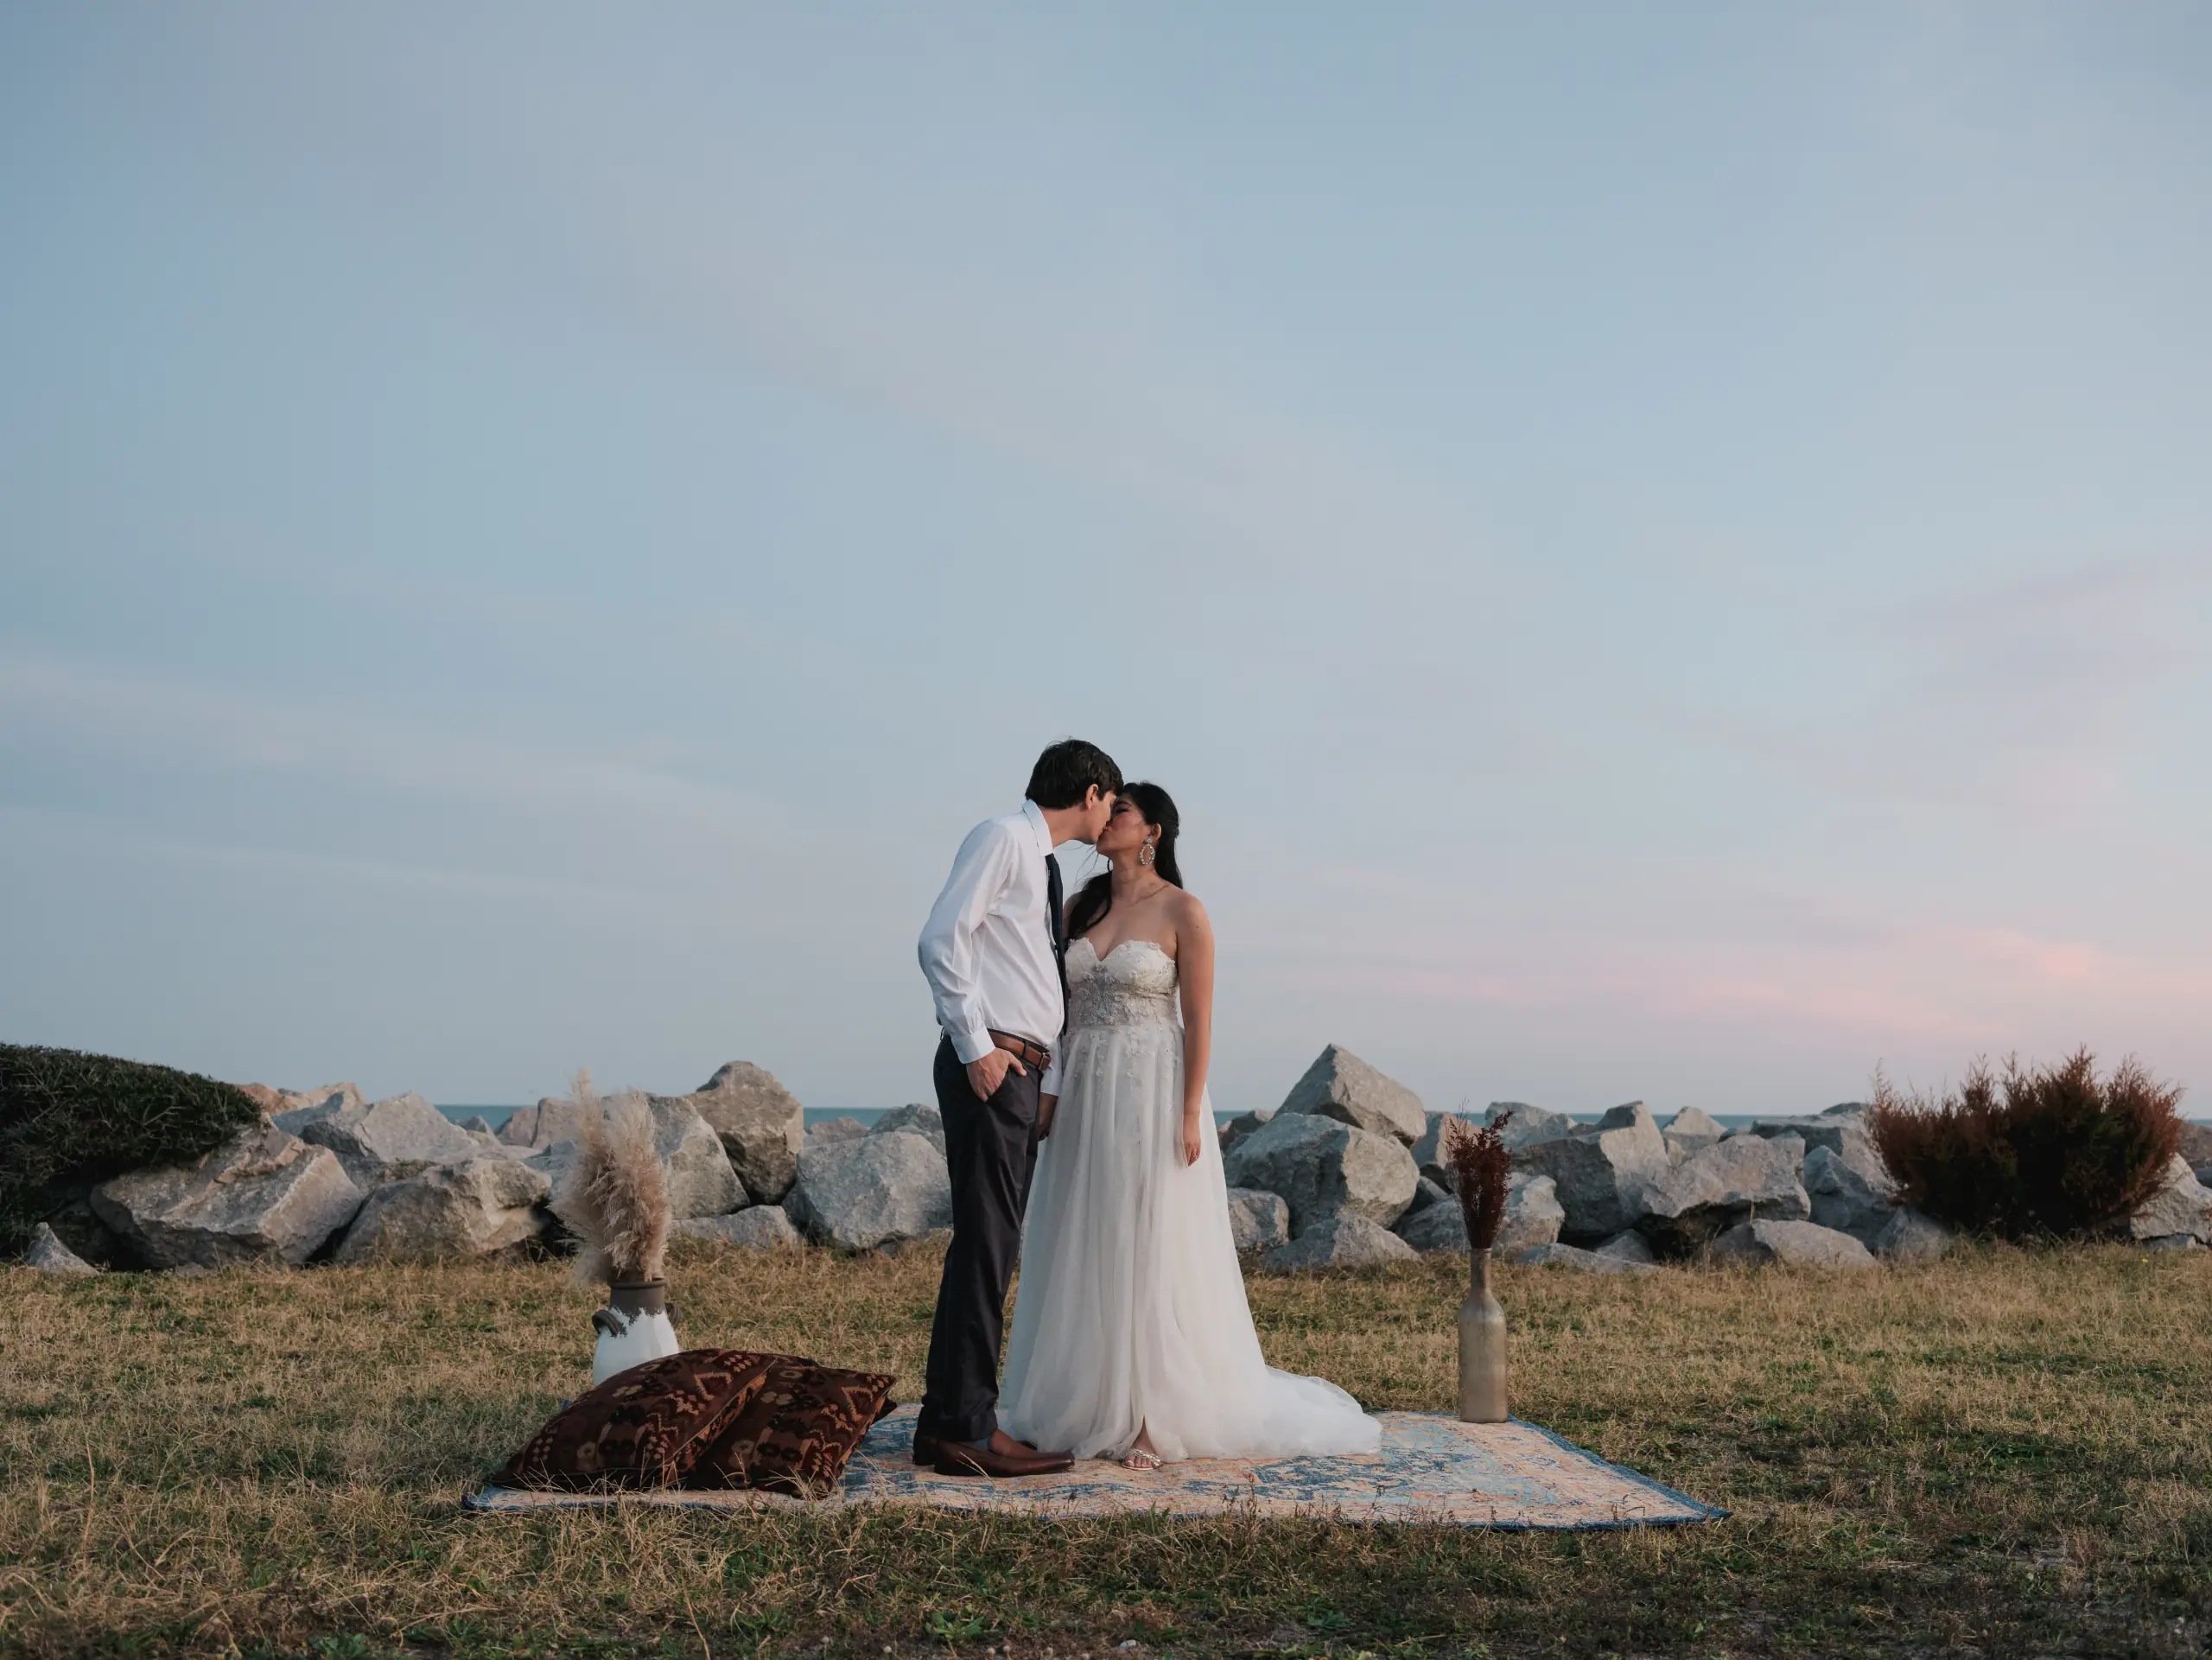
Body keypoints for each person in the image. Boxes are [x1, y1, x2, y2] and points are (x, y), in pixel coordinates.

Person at [999, 783, 1381, 1467]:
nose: (1107, 819)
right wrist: (1049, 1090)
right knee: (1083, 1233)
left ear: (1153, 832)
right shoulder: (1078, 905)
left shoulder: (1184, 910)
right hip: (1084, 1086)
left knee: (1149, 1238)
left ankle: (1152, 1416)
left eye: (1121, 812)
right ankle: (1079, 1396)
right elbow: (1051, 1004)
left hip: (1152, 1089)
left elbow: (1199, 1019)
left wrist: (1188, 1108)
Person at [912, 738, 1121, 1478]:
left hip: (1019, 1072)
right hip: (992, 1065)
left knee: (987, 1247)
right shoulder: (1003, 837)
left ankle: (952, 1423)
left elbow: (1033, 976)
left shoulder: (1046, 864)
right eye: (1110, 801)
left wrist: (1042, 1078)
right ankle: (965, 1430)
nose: (1110, 820)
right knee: (985, 1247)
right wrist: (977, 1050)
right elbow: (942, 938)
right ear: (1091, 792)